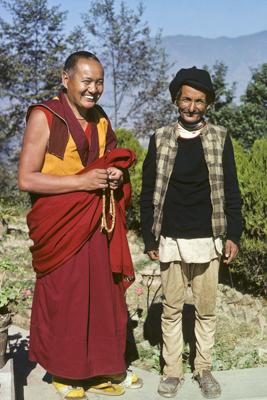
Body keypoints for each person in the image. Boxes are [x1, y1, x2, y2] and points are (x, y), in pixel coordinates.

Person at [18, 51, 142, 399]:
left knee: (102, 298)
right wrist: (83, 182)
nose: (94, 89)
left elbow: (111, 159)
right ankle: (66, 373)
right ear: (66, 79)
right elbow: (27, 179)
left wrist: (117, 174)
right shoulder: (46, 117)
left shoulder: (100, 119)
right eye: (86, 80)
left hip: (96, 222)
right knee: (68, 298)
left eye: (99, 82)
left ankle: (100, 369)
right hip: (61, 226)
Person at [140, 66, 242, 398]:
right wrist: (149, 237)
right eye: (187, 99)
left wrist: (233, 235)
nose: (192, 107)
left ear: (207, 104)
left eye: (199, 101)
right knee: (171, 309)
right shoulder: (160, 138)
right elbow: (147, 192)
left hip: (208, 239)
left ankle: (204, 368)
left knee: (206, 308)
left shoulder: (220, 138)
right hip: (171, 239)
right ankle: (172, 371)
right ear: (176, 100)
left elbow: (231, 191)